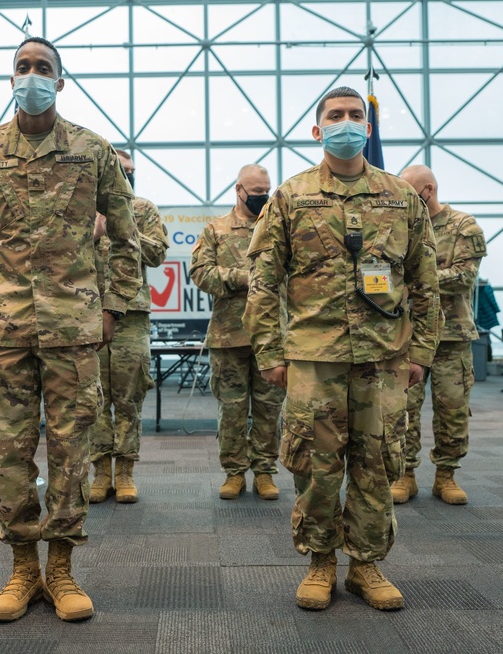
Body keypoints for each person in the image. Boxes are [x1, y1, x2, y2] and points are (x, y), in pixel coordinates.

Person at [0, 37, 142, 624]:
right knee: (7, 452)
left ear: (60, 82)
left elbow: (127, 237)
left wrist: (113, 308)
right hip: (4, 331)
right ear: (11, 80)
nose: (32, 76)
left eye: (43, 68)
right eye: (22, 67)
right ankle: (22, 568)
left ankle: (61, 568)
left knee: (71, 451)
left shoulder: (93, 149)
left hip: (74, 329)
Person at [243, 86, 440, 612]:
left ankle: (367, 565)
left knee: (377, 464)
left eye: (356, 115)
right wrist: (270, 353)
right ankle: (319, 561)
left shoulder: (401, 198)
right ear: (317, 129)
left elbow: (425, 281)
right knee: (316, 466)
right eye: (336, 115)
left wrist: (420, 351)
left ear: (368, 130)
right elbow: (263, 280)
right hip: (314, 359)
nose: (347, 122)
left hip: (384, 358)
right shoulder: (291, 196)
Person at [392, 165, 487, 506]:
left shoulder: (463, 225)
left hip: (451, 334)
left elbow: (463, 276)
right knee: (403, 409)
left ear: (428, 190)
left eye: (412, 194)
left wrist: (416, 278)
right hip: (409, 334)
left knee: (452, 408)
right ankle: (405, 474)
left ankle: (446, 475)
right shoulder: (399, 226)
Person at [190, 164, 284, 501]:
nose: (262, 197)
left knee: (269, 408)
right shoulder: (216, 230)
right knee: (231, 409)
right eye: (256, 192)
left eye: (267, 191)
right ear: (239, 190)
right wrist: (244, 278)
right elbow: (200, 273)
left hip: (271, 336)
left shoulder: (277, 228)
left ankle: (265, 472)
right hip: (229, 335)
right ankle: (233, 472)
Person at [89, 150, 169, 504]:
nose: (128, 176)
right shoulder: (79, 208)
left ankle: (125, 472)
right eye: (122, 170)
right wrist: (90, 234)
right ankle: (100, 471)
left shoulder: (144, 209)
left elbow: (157, 254)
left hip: (130, 316)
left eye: (131, 171)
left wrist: (122, 226)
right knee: (91, 398)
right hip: (85, 315)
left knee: (128, 396)